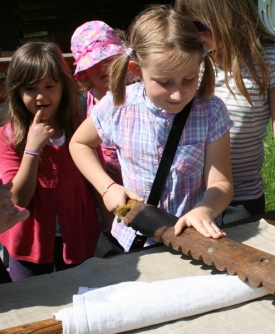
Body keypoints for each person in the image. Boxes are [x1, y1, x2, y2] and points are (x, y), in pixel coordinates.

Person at [69, 5, 233, 253]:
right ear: (137, 70)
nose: (178, 93)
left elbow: (221, 183)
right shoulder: (118, 105)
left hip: (194, 240)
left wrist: (205, 209)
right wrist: (107, 187)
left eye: (188, 79)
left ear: (200, 63)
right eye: (164, 82)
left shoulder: (211, 111)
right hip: (135, 241)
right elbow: (79, 144)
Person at [176, 0, 275, 223]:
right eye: (185, 25)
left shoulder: (270, 59)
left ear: (230, 18)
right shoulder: (191, 58)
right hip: (191, 195)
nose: (192, 34)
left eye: (199, 26)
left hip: (242, 196)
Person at [0, 41, 101, 281]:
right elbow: (18, 199)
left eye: (49, 86)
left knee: (79, 297)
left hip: (78, 241)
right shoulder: (8, 136)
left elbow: (98, 183)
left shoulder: (80, 129)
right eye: (30, 88)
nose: (41, 96)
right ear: (17, 91)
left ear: (63, 87)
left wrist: (113, 235)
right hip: (29, 246)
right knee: (30, 305)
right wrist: (32, 149)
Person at [70, 20, 126, 184]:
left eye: (107, 59)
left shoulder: (136, 96)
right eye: (94, 63)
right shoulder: (80, 106)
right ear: (85, 70)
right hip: (98, 189)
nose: (102, 67)